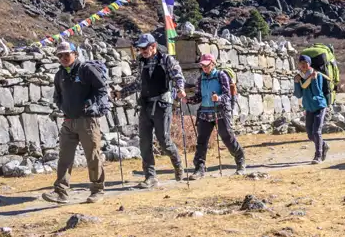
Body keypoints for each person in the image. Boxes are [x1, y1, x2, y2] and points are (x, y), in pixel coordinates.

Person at [115, 33, 186, 188]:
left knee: (164, 141)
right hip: (146, 105)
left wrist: (181, 89)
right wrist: (122, 92)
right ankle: (150, 177)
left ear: (153, 46)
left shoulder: (167, 60)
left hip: (162, 105)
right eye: (140, 49)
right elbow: (139, 83)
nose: (142, 51)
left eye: (144, 48)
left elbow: (178, 77)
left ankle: (178, 164)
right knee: (144, 142)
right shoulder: (141, 62)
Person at [42, 42, 109, 204]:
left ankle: (97, 189)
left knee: (92, 156)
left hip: (87, 120)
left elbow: (102, 89)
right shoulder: (60, 75)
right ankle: (61, 192)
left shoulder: (86, 69)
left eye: (67, 54)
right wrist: (63, 107)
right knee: (64, 157)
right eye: (60, 55)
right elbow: (57, 96)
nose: (64, 58)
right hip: (68, 121)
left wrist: (88, 103)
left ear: (75, 54)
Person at [185, 53, 246, 178]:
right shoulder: (200, 79)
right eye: (202, 65)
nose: (205, 67)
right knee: (202, 141)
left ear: (213, 64)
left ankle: (240, 161)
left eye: (207, 65)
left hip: (220, 111)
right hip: (205, 113)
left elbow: (227, 95)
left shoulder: (221, 76)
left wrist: (218, 98)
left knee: (227, 138)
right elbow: (198, 97)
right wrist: (188, 100)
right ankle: (199, 169)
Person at [293, 55, 330, 163]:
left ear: (309, 64)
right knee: (310, 134)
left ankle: (318, 156)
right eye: (301, 63)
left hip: (319, 106)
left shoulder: (317, 75)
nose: (303, 65)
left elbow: (317, 93)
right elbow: (298, 95)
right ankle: (324, 145)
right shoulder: (300, 77)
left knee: (316, 131)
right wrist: (296, 83)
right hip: (309, 107)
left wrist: (313, 80)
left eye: (305, 63)